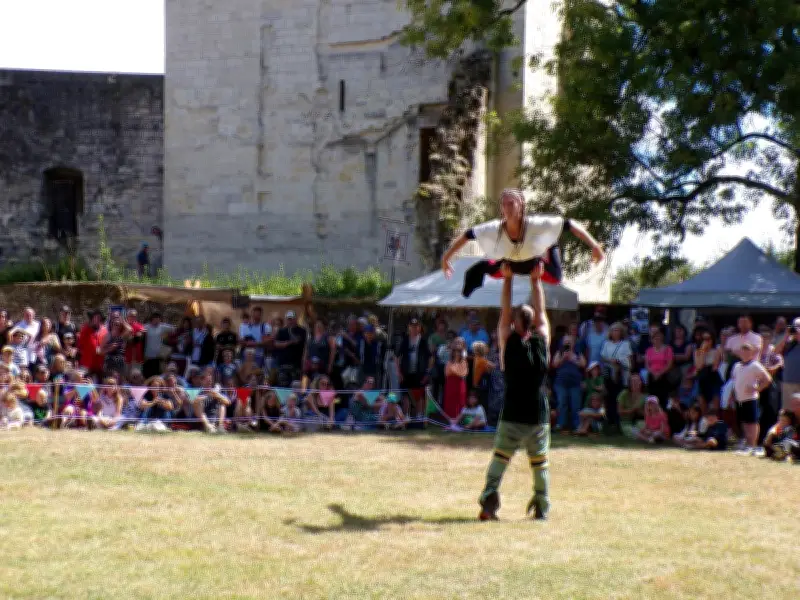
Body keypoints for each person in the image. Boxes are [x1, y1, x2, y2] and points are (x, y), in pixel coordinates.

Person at [478, 263, 551, 522]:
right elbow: (541, 314)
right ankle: (542, 506)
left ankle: (488, 502)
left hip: (512, 411)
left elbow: (504, 314)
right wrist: (536, 281)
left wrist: (507, 279)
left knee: (500, 460)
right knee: (540, 463)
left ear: (516, 323)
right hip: (537, 413)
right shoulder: (542, 341)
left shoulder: (508, 342)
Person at [441, 188, 605, 297]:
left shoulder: (535, 224)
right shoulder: (494, 228)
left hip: (533, 261)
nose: (507, 208)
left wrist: (594, 245)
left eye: (511, 203)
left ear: (521, 205)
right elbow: (467, 235)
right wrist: (446, 258)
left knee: (556, 278)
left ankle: (549, 246)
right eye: (504, 205)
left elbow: (569, 224)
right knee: (479, 270)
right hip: (510, 262)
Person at [730, 342, 772, 455]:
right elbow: (734, 381)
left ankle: (752, 445)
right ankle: (748, 444)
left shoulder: (755, 365)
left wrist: (757, 389)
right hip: (740, 399)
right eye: (743, 351)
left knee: (752, 422)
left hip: (751, 398)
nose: (744, 353)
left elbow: (768, 379)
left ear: (752, 353)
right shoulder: (737, 366)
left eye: (747, 351)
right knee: (744, 421)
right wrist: (732, 395)